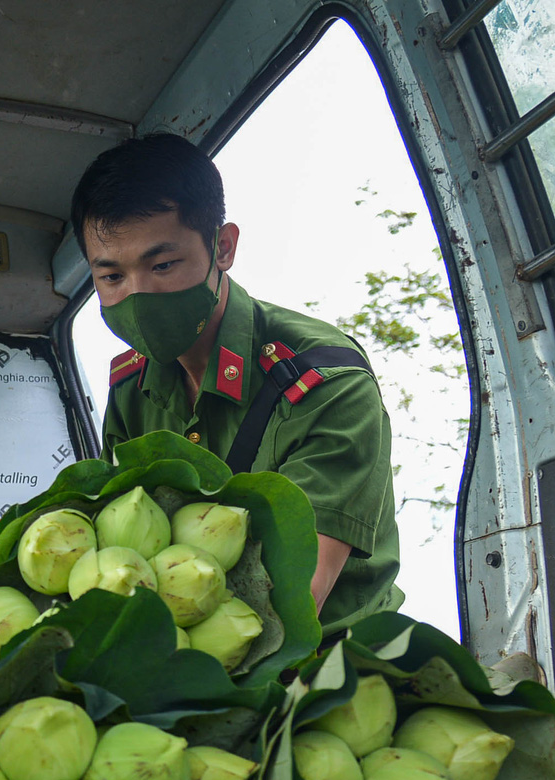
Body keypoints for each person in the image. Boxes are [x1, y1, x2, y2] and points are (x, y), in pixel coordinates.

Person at [72, 133, 405, 633]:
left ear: (222, 247)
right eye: (112, 277)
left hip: (333, 667)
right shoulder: (130, 388)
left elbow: (292, 601)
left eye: (162, 265)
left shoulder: (327, 382)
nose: (139, 295)